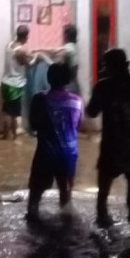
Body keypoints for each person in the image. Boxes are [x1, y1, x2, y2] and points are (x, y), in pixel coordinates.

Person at [86, 48, 130, 227]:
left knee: (104, 186)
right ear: (126, 64)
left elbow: (91, 112)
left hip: (113, 144)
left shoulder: (104, 86)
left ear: (108, 67)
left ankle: (102, 216)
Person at [26, 63, 84, 218]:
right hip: (69, 154)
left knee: (35, 197)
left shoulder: (40, 99)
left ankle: (33, 226)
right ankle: (67, 234)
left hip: (46, 152)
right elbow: (77, 125)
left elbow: (33, 125)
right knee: (65, 197)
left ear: (48, 78)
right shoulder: (77, 101)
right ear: (68, 79)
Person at [0, 25, 38, 140]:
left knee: (6, 111)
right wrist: (36, 57)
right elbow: (28, 64)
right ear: (25, 36)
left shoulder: (9, 45)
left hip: (5, 82)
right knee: (15, 113)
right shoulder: (21, 50)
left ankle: (5, 135)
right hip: (15, 85)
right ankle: (15, 137)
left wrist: (29, 53)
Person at [34, 24, 80, 96]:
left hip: (68, 85)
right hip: (73, 83)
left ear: (66, 35)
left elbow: (55, 66)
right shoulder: (73, 47)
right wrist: (39, 50)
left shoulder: (68, 49)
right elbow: (54, 50)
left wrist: (43, 57)